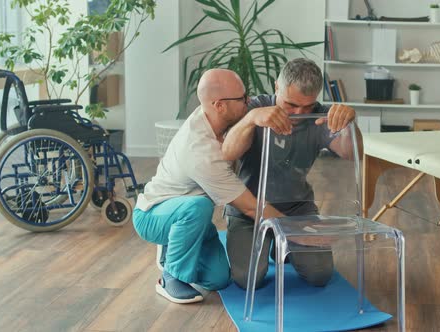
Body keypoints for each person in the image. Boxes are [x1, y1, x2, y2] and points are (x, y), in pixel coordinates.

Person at [133, 69, 283, 304]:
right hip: (153, 214)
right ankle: (170, 276)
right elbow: (251, 208)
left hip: (189, 216)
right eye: (243, 99)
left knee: (219, 279)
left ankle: (173, 247)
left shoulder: (211, 116)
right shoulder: (201, 151)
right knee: (198, 206)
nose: (250, 102)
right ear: (220, 105)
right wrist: (296, 232)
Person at [222, 58, 360, 289]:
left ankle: (281, 245)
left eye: (307, 106)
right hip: (250, 209)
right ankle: (275, 243)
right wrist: (250, 120)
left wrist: (349, 125)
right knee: (249, 279)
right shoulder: (254, 107)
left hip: (297, 208)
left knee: (320, 275)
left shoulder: (322, 116)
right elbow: (227, 153)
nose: (298, 113)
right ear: (277, 87)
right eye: (290, 104)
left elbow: (351, 153)